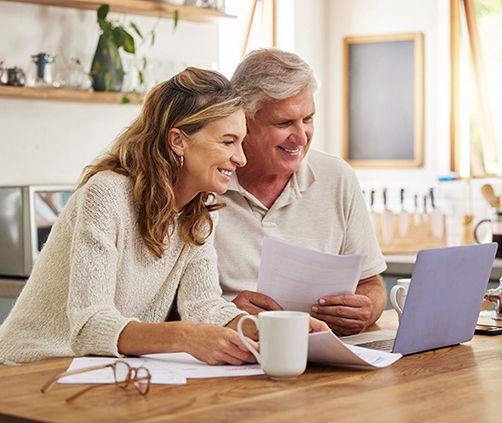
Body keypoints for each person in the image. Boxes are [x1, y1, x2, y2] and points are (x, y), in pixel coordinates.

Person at [0, 67, 257, 366]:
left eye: (241, 142)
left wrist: (275, 329)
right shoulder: (107, 194)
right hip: (31, 368)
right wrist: (185, 337)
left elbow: (204, 306)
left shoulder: (199, 211)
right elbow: (89, 326)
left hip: (103, 370)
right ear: (178, 141)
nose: (241, 158)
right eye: (228, 142)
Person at [214, 48, 388, 336]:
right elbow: (162, 307)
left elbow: (372, 285)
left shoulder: (337, 177)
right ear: (243, 120)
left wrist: (364, 310)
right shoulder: (206, 182)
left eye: (308, 119)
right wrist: (223, 315)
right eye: (284, 123)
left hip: (322, 356)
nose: (301, 136)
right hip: (233, 356)